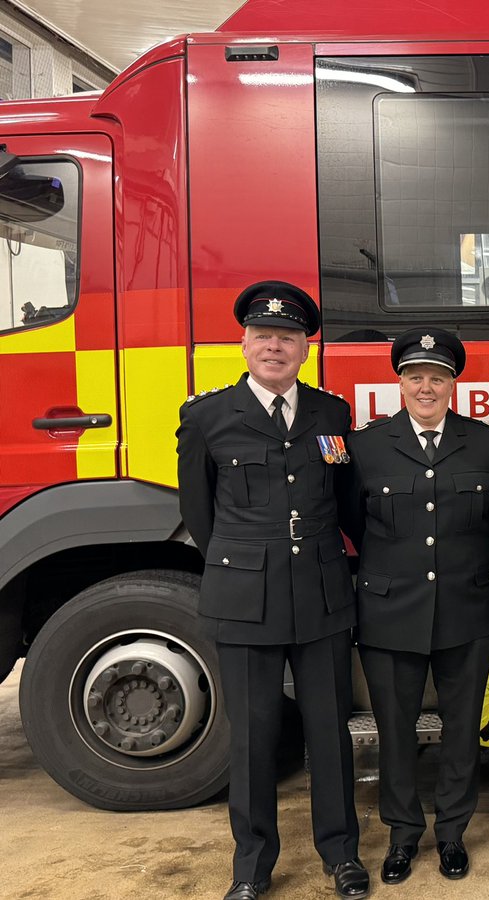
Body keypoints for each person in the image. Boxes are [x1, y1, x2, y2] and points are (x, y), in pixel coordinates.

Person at [175, 282, 368, 900]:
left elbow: (342, 503)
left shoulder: (330, 415)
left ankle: (341, 855)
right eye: (264, 336)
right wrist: (243, 568)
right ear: (244, 343)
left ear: (306, 348)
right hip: (246, 600)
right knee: (253, 737)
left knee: (330, 732)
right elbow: (200, 515)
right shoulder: (206, 417)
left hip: (320, 593)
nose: (275, 347)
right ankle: (251, 868)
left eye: (288, 337)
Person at [340, 328, 489, 884]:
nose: (427, 386)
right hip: (391, 610)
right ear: (401, 382)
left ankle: (453, 833)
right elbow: (352, 520)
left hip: (467, 606)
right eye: (416, 376)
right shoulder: (365, 446)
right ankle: (402, 836)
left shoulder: (485, 443)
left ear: (454, 382)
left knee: (462, 729)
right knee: (395, 730)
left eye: (438, 376)